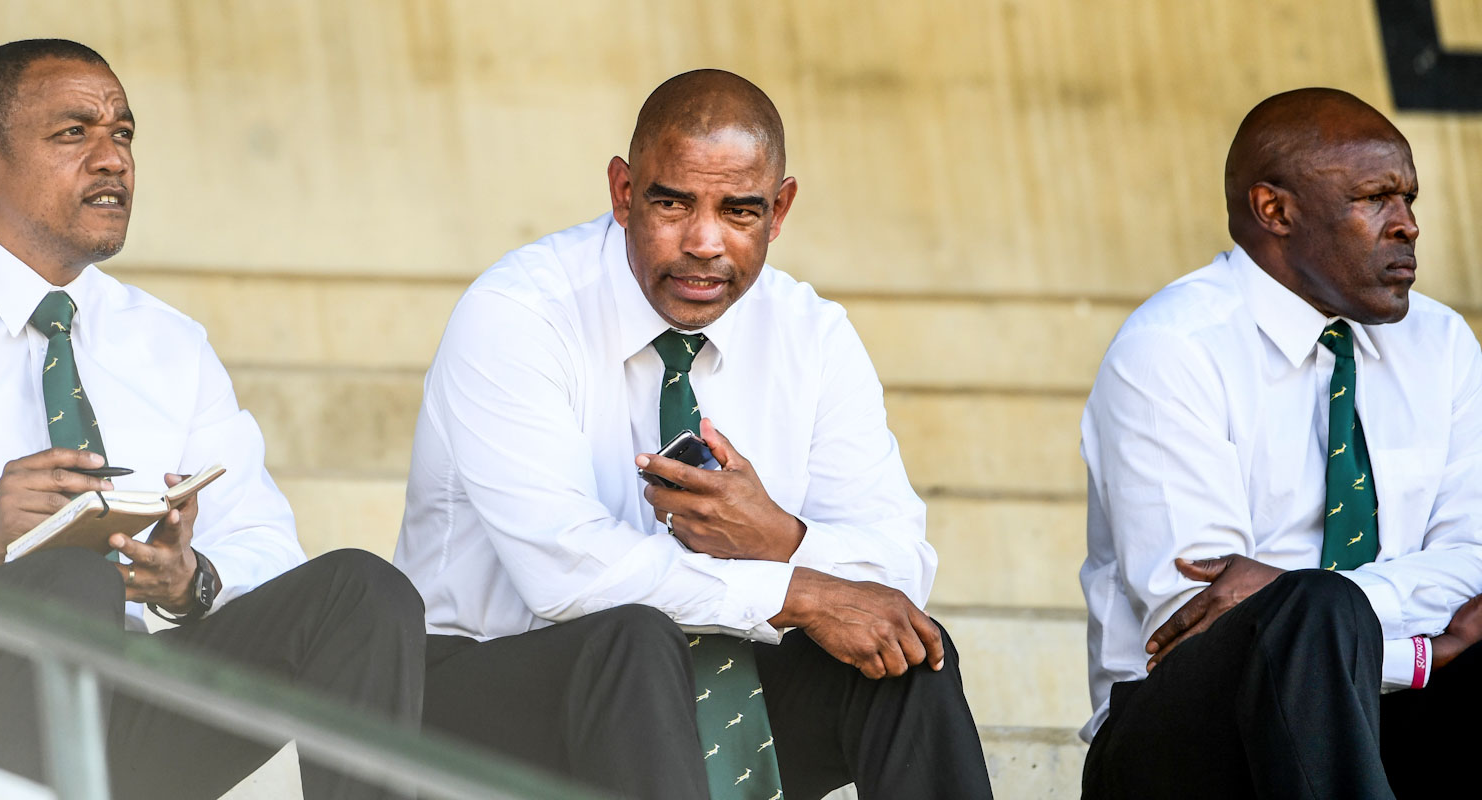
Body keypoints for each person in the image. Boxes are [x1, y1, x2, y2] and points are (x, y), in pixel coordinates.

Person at [394, 68, 993, 800]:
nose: (704, 243)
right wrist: (794, 592)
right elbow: (565, 572)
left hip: (707, 696)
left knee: (909, 659)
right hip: (492, 700)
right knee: (636, 639)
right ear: (622, 192)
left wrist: (778, 537)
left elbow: (896, 573)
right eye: (673, 203)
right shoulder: (519, 313)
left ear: (780, 211)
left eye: (739, 211)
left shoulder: (813, 335)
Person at [0, 39, 426, 800]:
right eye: (74, 133)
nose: (113, 159)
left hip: (114, 699)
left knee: (363, 594)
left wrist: (187, 582)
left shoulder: (168, 342)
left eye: (124, 134)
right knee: (70, 574)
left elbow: (264, 542)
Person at [1078, 87, 1482, 798]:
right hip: (1181, 744)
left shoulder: (1442, 343)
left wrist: (1316, 607)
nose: (1408, 226)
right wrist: (1415, 650)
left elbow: (1473, 566)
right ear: (1276, 211)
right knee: (1309, 613)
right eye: (1375, 198)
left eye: (1410, 199)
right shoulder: (1171, 349)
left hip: (1389, 716)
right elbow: (1197, 623)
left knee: (1313, 607)